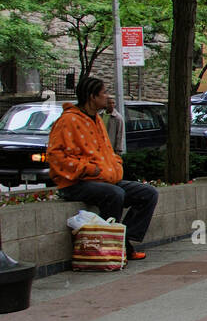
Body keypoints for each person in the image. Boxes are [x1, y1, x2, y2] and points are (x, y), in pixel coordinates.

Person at [47, 76, 157, 261]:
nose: (108, 96)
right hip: (76, 182)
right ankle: (112, 248)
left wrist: (115, 164)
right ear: (92, 97)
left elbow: (106, 151)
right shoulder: (68, 121)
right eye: (104, 92)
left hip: (104, 179)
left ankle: (122, 240)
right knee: (114, 194)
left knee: (148, 193)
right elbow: (56, 156)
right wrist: (88, 169)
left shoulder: (97, 119)